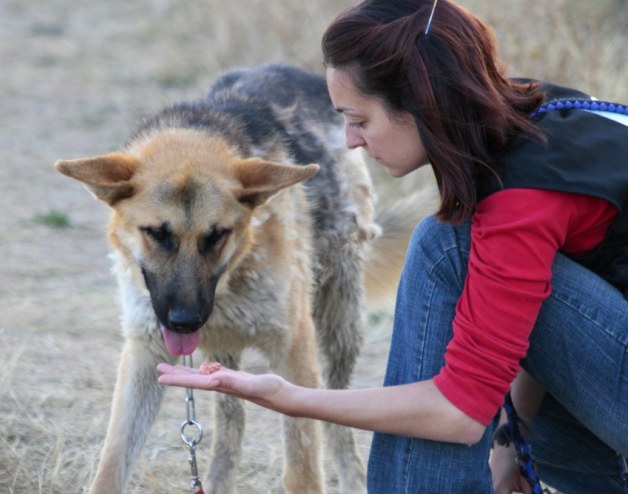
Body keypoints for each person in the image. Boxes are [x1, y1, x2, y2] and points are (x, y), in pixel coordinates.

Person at [157, 0, 628, 492]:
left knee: (443, 245)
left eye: (359, 120)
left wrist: (288, 395)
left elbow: (459, 412)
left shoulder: (520, 200)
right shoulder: (540, 115)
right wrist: (511, 442)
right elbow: (543, 319)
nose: (350, 141)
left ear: (422, 104)